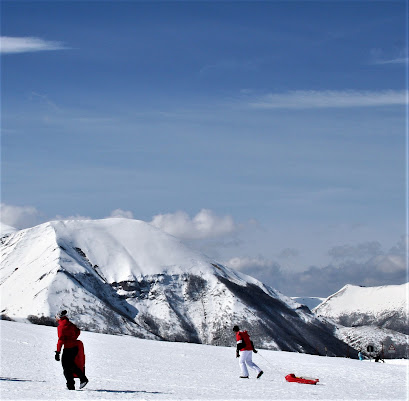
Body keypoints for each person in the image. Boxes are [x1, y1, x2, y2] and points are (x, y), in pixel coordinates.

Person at [55, 310, 88, 390]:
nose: (55, 318)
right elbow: (78, 331)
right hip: (75, 347)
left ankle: (72, 385)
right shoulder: (70, 324)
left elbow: (61, 340)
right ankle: (81, 379)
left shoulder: (61, 327)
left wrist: (58, 352)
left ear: (59, 317)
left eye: (56, 317)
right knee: (71, 365)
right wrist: (73, 338)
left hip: (68, 348)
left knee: (66, 367)